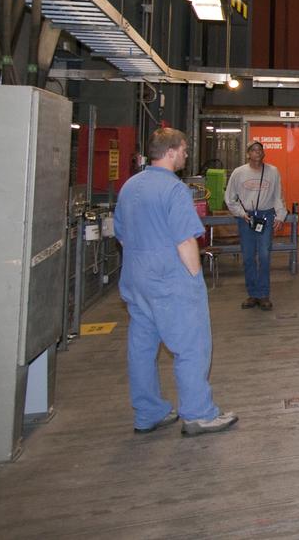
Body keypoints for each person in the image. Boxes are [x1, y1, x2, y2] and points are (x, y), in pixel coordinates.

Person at [114, 128, 237, 437]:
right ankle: (198, 414)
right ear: (170, 152)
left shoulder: (129, 187)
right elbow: (185, 241)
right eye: (183, 149)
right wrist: (196, 278)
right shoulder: (174, 190)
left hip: (135, 277)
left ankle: (148, 412)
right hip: (170, 279)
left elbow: (119, 233)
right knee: (192, 345)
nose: (185, 154)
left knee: (142, 348)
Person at [224, 141, 287, 311]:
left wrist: (280, 215)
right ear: (247, 154)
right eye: (253, 149)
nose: (257, 152)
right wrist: (240, 213)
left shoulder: (272, 172)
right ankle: (252, 293)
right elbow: (230, 197)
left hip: (266, 216)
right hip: (247, 218)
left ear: (263, 153)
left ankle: (263, 294)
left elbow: (278, 195)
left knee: (265, 255)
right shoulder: (239, 173)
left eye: (260, 149)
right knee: (248, 256)